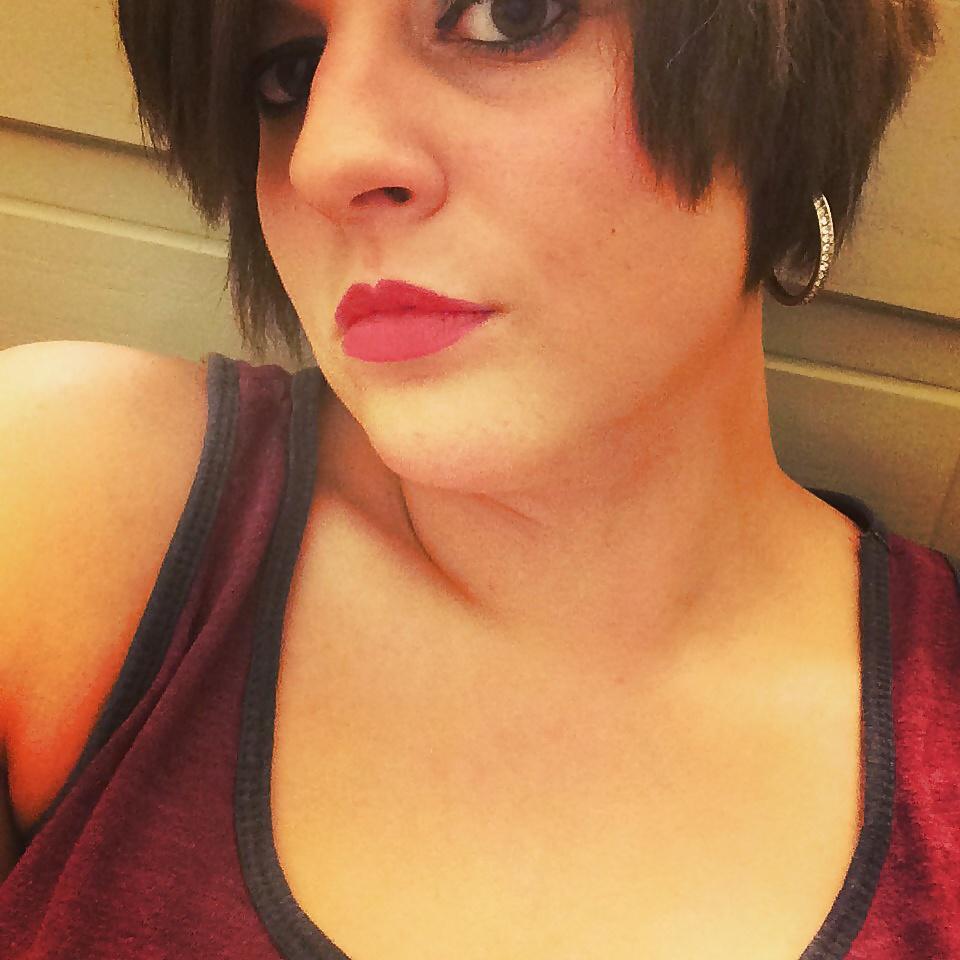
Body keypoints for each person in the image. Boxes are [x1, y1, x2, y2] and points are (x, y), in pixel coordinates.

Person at [0, 0, 956, 957]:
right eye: (286, 73)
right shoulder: (64, 504)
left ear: (788, 98)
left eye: (509, 17)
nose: (323, 160)